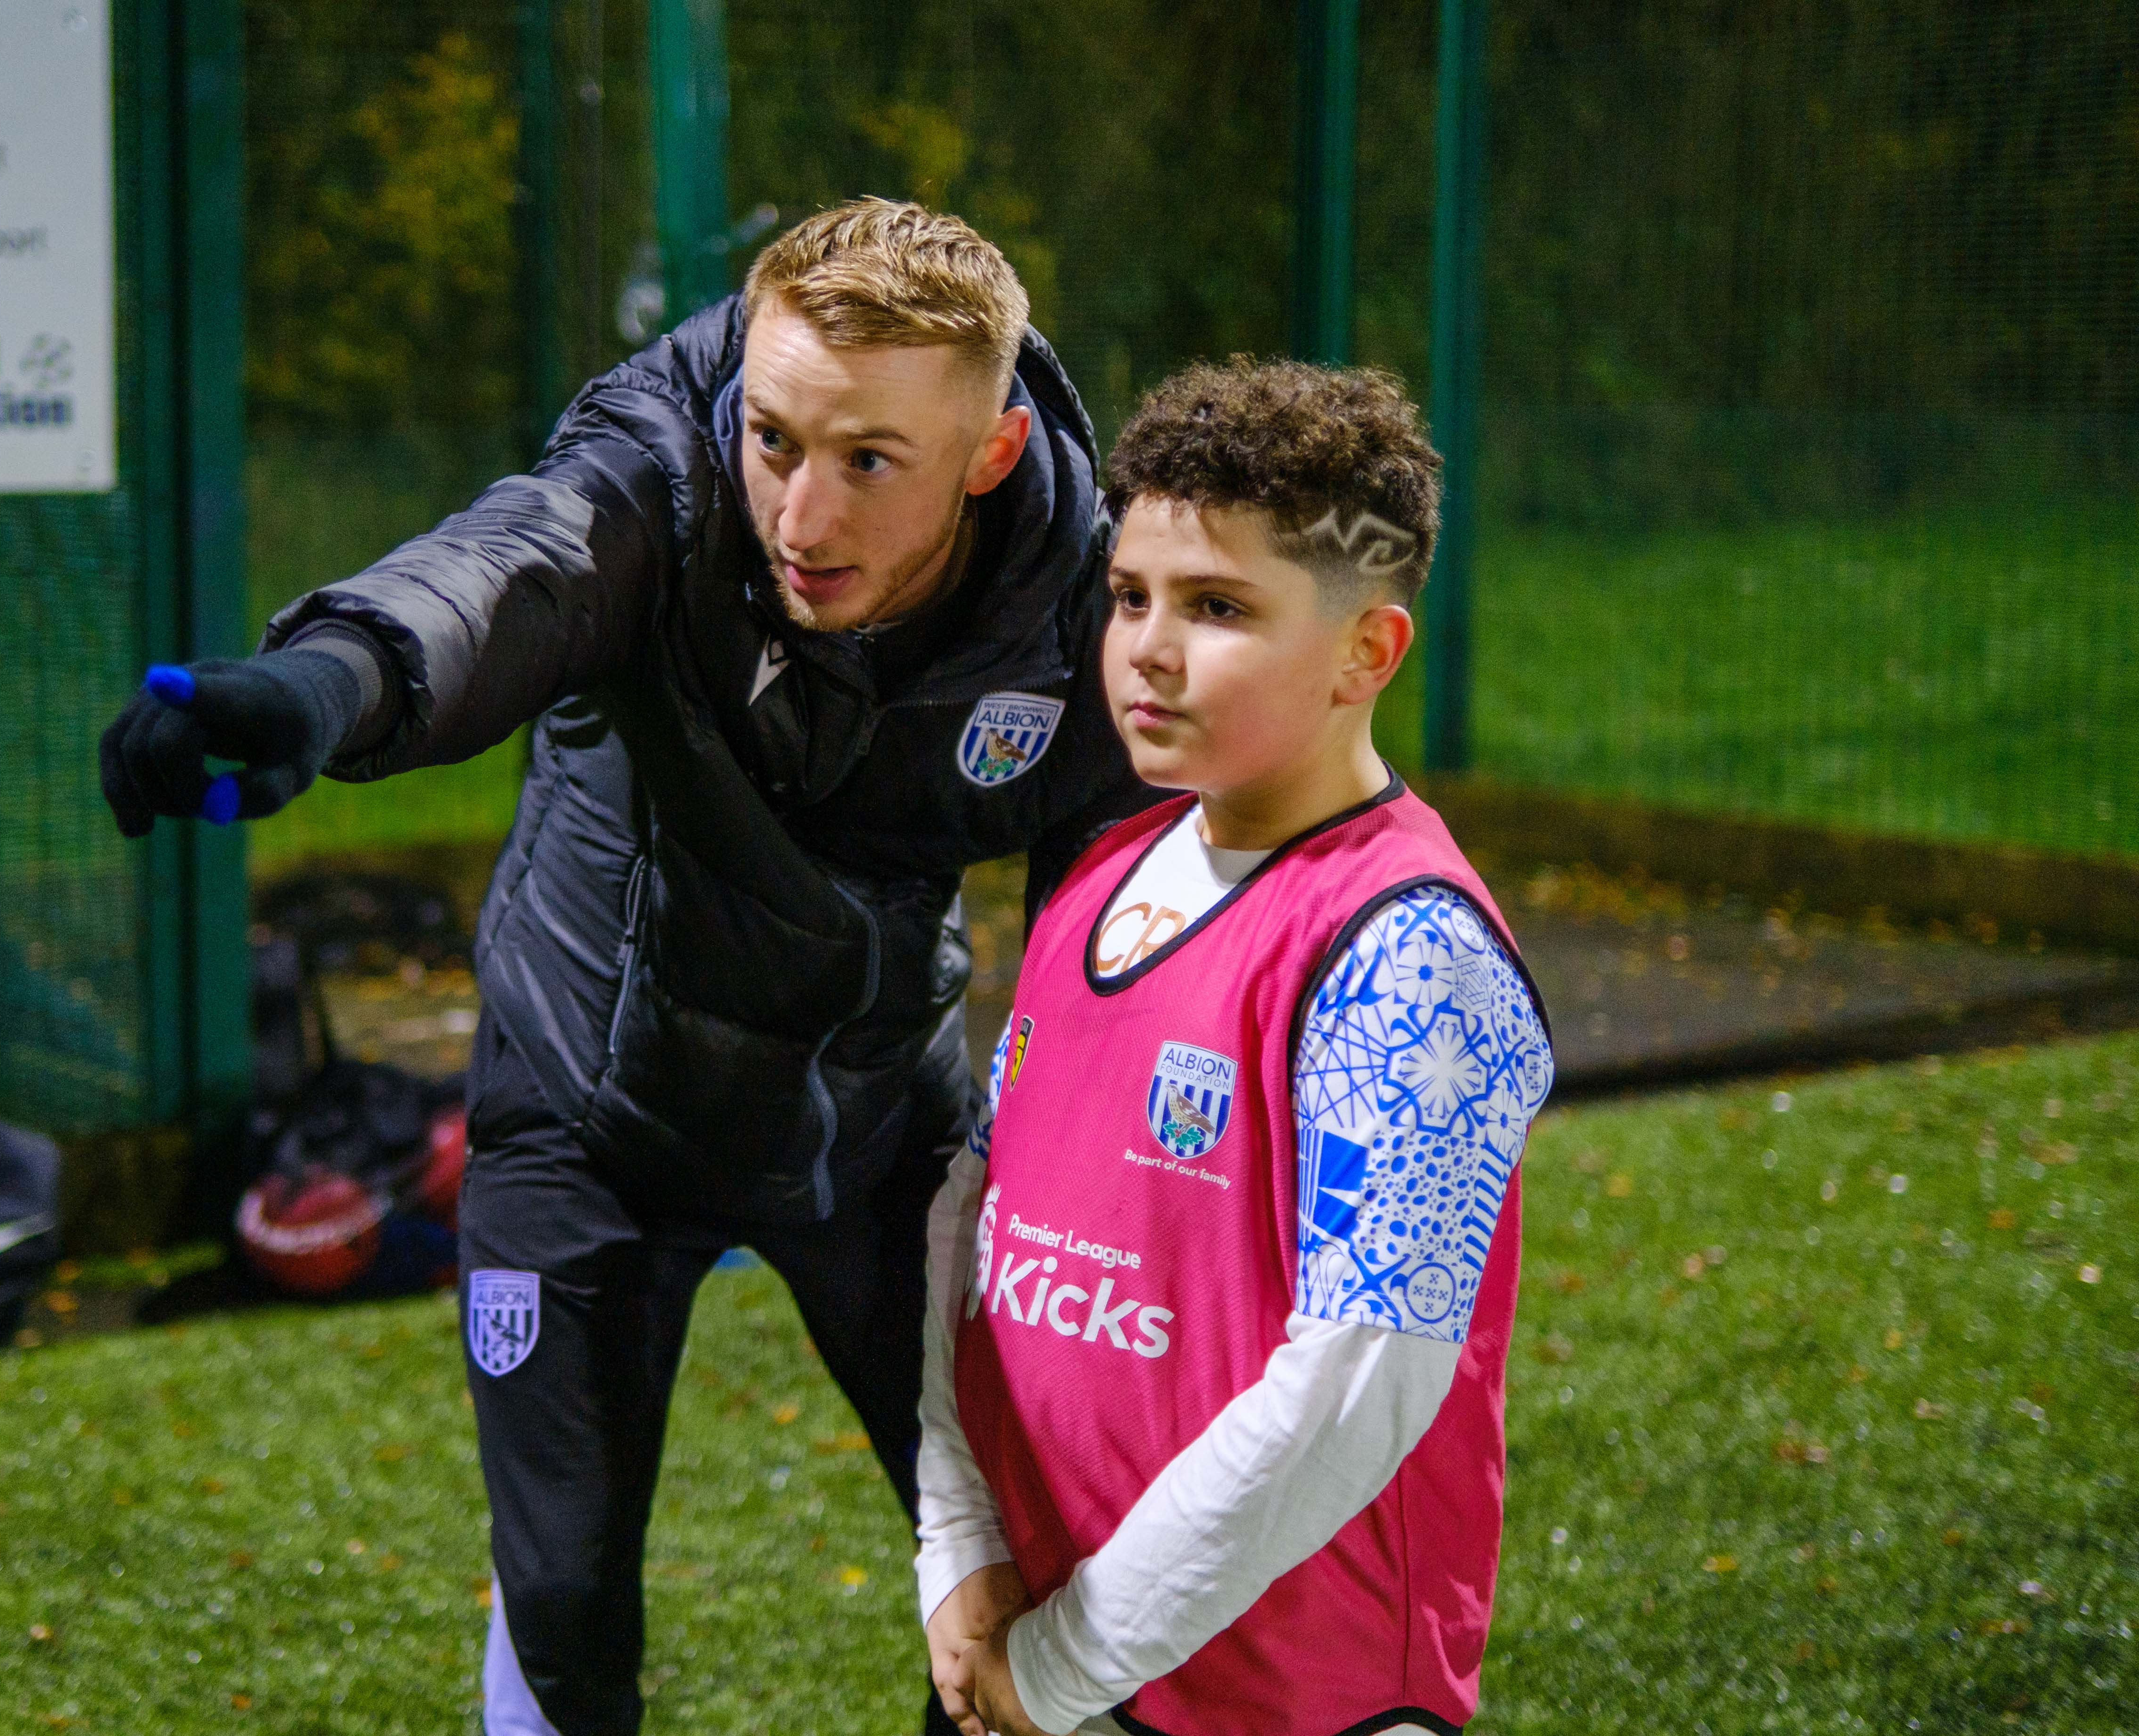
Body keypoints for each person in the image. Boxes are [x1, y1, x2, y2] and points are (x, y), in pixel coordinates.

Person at [97, 198, 1152, 1735]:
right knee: (567, 1602)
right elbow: (503, 575)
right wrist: (318, 689)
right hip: (584, 1115)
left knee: (1037, 1567)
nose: (802, 512)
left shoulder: (1083, 606)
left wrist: (1078, 1178)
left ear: (989, 455)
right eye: (777, 439)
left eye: (870, 461)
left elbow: (1113, 942)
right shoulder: (659, 473)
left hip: (873, 1125)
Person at [915, 359, 1556, 1736]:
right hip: (1046, 1645)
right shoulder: (1103, 872)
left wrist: (1072, 1661)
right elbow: (975, 1225)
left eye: (1217, 608)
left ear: (1364, 655)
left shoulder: (1409, 959)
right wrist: (956, 1548)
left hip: (1286, 1700)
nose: (1147, 646)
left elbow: (1357, 1384)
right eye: (1131, 594)